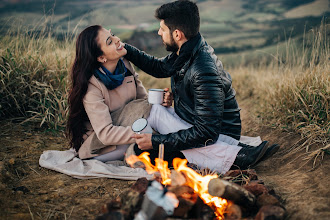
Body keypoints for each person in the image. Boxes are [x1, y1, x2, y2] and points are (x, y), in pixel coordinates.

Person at [125, 0, 279, 171]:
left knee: (148, 153)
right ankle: (232, 153)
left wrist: (156, 141)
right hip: (194, 122)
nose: (159, 32)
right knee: (153, 116)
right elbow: (160, 67)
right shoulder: (186, 49)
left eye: (162, 29)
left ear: (177, 34)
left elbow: (206, 132)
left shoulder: (203, 68)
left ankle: (234, 155)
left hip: (218, 134)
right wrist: (125, 49)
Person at [66, 25, 186, 163]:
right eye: (109, 42)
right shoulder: (92, 86)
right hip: (104, 147)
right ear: (101, 57)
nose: (117, 39)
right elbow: (106, 134)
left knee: (159, 111)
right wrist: (146, 134)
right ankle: (202, 145)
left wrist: (163, 101)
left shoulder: (125, 66)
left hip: (129, 130)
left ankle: (201, 141)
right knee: (156, 125)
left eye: (113, 35)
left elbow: (144, 104)